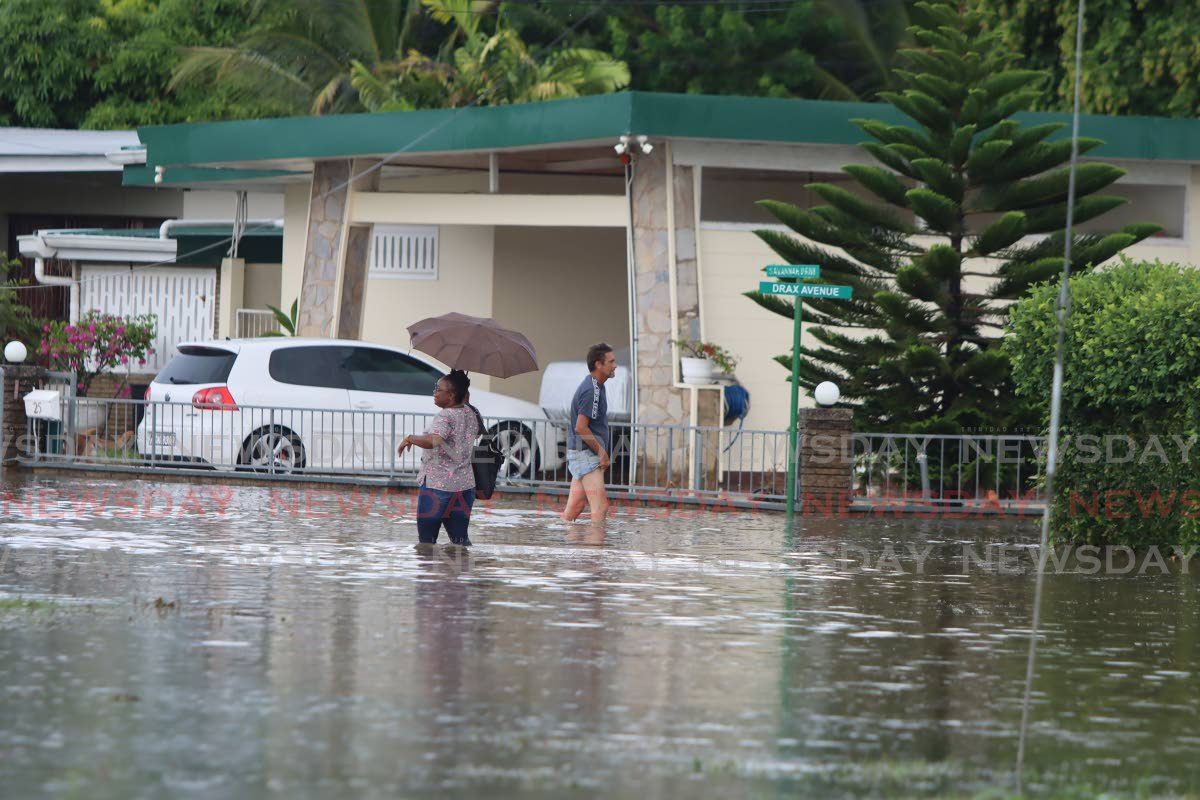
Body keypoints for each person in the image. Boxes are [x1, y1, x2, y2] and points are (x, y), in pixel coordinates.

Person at [398, 369, 480, 545]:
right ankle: (462, 572)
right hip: (464, 487)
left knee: (426, 545)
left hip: (437, 486)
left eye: (438, 389)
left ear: (451, 395)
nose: (434, 393)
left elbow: (435, 440)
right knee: (460, 543)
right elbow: (479, 431)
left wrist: (410, 438)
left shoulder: (445, 416)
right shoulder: (472, 413)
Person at [562, 342, 617, 529]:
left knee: (574, 508)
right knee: (600, 508)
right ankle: (595, 554)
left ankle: (564, 550)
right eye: (611, 361)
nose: (615, 365)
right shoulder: (591, 390)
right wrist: (602, 452)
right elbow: (581, 427)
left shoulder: (596, 387)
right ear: (598, 365)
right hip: (586, 454)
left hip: (581, 453)